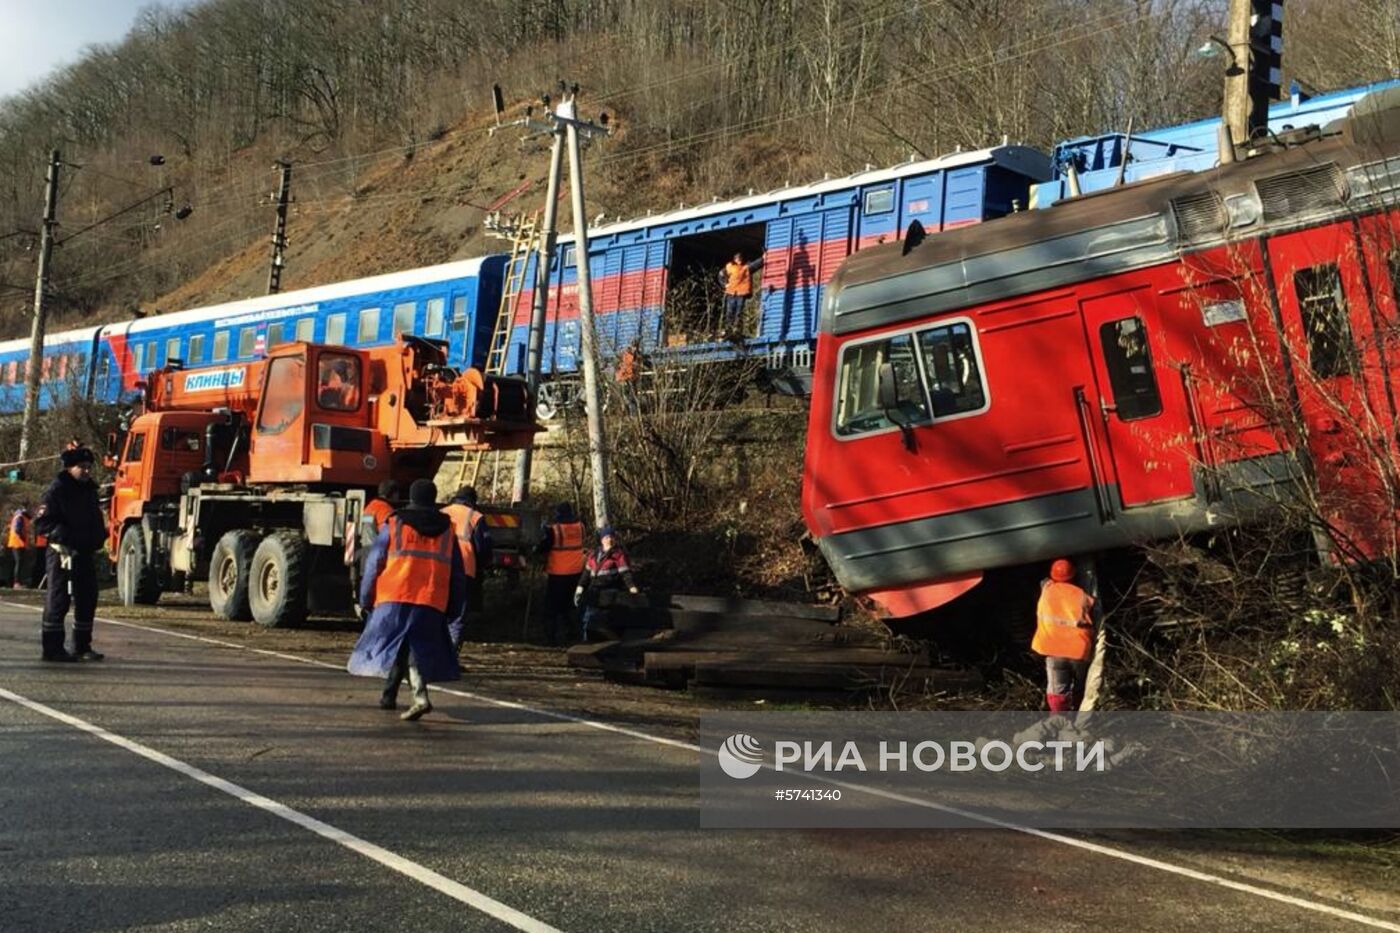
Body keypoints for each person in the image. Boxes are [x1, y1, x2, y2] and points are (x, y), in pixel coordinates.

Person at [348, 479, 466, 720]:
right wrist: (454, 607)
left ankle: (419, 696)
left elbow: (374, 563)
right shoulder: (447, 530)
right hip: (431, 598)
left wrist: (365, 596)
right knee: (411, 645)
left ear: (411, 497)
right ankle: (389, 695)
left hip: (395, 595)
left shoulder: (395, 523)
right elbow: (457, 573)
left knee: (400, 643)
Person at [34, 447, 107, 662]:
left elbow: (95, 519)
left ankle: (82, 645)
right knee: (58, 599)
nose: (85, 471)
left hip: (84, 552)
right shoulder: (56, 491)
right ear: (69, 468)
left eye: (88, 467)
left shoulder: (89, 491)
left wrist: (98, 537)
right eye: (81, 467)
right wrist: (62, 535)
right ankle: (53, 648)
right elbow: (42, 522)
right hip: (62, 554)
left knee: (87, 598)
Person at [1031, 558, 1094, 713]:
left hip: (1053, 649)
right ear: (1074, 576)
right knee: (1081, 687)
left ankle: (1059, 718)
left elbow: (1044, 582)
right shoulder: (1082, 595)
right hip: (1078, 651)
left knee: (1057, 691)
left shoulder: (1047, 590)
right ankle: (1079, 713)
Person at [441, 485, 491, 649]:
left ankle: (437, 653)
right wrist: (483, 566)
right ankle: (451, 656)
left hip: (441, 566)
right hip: (465, 567)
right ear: (473, 501)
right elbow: (482, 547)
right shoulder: (475, 516)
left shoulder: (442, 512)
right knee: (458, 614)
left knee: (440, 610)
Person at [574, 526, 640, 642]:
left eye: (612, 537)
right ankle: (586, 640)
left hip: (610, 590)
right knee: (587, 617)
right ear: (602, 539)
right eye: (607, 537)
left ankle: (607, 640)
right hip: (594, 590)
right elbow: (586, 573)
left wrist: (632, 587)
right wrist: (580, 587)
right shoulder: (594, 555)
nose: (610, 540)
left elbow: (625, 573)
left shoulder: (618, 555)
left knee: (605, 618)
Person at [536, 502, 585, 646]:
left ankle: (551, 638)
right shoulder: (580, 527)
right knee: (571, 605)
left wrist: (536, 548)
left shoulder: (555, 530)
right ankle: (574, 634)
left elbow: (543, 547)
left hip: (559, 573)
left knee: (552, 607)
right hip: (577, 572)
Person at [719, 252, 764, 328]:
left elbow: (755, 264)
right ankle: (728, 328)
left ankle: (736, 329)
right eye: (737, 258)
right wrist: (725, 284)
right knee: (729, 312)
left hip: (741, 293)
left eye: (740, 258)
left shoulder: (745, 267)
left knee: (739, 312)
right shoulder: (730, 267)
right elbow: (721, 275)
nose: (739, 260)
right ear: (734, 259)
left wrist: (763, 258)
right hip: (731, 293)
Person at [7, 505, 32, 589]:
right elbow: (18, 530)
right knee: (19, 562)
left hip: (16, 543)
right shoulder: (20, 517)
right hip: (18, 543)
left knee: (17, 563)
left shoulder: (18, 516)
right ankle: (16, 583)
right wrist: (23, 539)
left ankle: (14, 582)